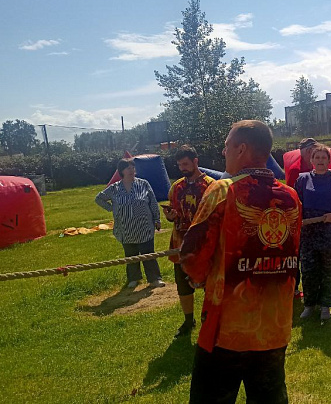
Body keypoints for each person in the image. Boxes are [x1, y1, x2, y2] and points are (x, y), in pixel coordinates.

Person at [179, 120, 301, 404]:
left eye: (226, 146)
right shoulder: (291, 196)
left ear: (241, 149)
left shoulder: (223, 190)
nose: (224, 152)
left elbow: (192, 255)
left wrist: (198, 279)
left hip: (227, 330)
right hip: (275, 327)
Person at [294, 144, 331, 320]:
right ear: (311, 160)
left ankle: (325, 306)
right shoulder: (302, 180)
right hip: (309, 234)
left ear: (329, 161)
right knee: (309, 271)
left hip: (330, 233)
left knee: (329, 271)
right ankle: (309, 305)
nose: (320, 161)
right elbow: (295, 203)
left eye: (323, 158)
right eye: (317, 157)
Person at [163, 145, 215, 338]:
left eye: (185, 164)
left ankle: (210, 320)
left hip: (204, 245)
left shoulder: (211, 186)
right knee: (183, 285)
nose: (182, 168)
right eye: (179, 165)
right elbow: (173, 212)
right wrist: (170, 216)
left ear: (195, 161)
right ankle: (188, 320)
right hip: (180, 244)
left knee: (210, 284)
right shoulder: (176, 187)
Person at [95, 158, 164, 289]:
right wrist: (112, 208)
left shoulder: (143, 184)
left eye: (133, 168)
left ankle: (155, 279)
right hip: (125, 228)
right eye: (128, 168)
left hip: (144, 226)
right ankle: (134, 278)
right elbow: (99, 199)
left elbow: (153, 202)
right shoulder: (114, 188)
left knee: (148, 254)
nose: (132, 170)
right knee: (131, 255)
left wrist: (157, 219)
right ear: (122, 171)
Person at [285, 137, 318, 299]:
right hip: (299, 217)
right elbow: (291, 196)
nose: (312, 153)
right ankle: (294, 288)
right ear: (306, 151)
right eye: (310, 150)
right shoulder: (295, 170)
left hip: (314, 216)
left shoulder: (315, 166)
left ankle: (312, 287)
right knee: (296, 254)